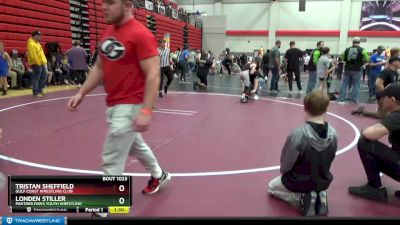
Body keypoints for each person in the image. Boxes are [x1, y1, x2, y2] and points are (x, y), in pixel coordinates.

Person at [67, 0, 171, 212]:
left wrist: (146, 110)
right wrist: (81, 92)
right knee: (135, 145)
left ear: (127, 4)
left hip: (130, 104)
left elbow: (153, 74)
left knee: (112, 157)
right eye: (103, 2)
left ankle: (107, 203)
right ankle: (159, 175)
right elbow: (99, 67)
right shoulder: (108, 33)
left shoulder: (141, 35)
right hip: (114, 104)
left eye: (111, 2)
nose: (104, 7)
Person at [268, 91, 338, 216]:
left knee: (271, 187)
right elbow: (330, 158)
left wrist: (286, 174)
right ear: (327, 109)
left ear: (304, 108)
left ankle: (302, 197)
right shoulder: (334, 134)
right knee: (312, 182)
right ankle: (318, 194)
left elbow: (285, 165)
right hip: (322, 181)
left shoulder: (298, 135)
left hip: (298, 181)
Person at [348, 84, 400, 202]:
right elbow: (383, 117)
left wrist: (364, 131)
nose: (381, 100)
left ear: (392, 100)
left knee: (364, 142)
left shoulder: (397, 117)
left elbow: (369, 134)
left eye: (384, 97)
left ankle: (374, 188)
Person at [338, 37, 369, 103]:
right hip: (357, 70)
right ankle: (354, 99)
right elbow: (367, 59)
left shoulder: (347, 49)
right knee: (356, 85)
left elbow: (342, 57)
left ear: (352, 42)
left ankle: (341, 98)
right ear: (359, 42)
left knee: (344, 84)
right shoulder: (362, 50)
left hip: (347, 69)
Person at [27, 30, 48, 97]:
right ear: (35, 36)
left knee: (43, 76)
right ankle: (35, 92)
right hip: (36, 63)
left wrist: (44, 61)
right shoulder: (31, 44)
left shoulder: (37, 43)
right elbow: (33, 56)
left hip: (42, 62)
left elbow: (41, 53)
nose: (40, 37)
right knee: (36, 78)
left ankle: (40, 90)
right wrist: (38, 63)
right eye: (39, 36)